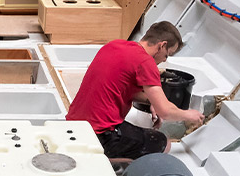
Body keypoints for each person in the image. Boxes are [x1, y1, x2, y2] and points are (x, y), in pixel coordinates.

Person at [66, 21, 204, 162]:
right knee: (163, 143)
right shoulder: (145, 62)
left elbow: (121, 90)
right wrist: (189, 115)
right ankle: (97, 158)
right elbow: (165, 112)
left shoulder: (115, 45)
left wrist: (152, 101)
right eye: (167, 55)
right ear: (161, 46)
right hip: (99, 134)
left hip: (74, 123)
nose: (163, 60)